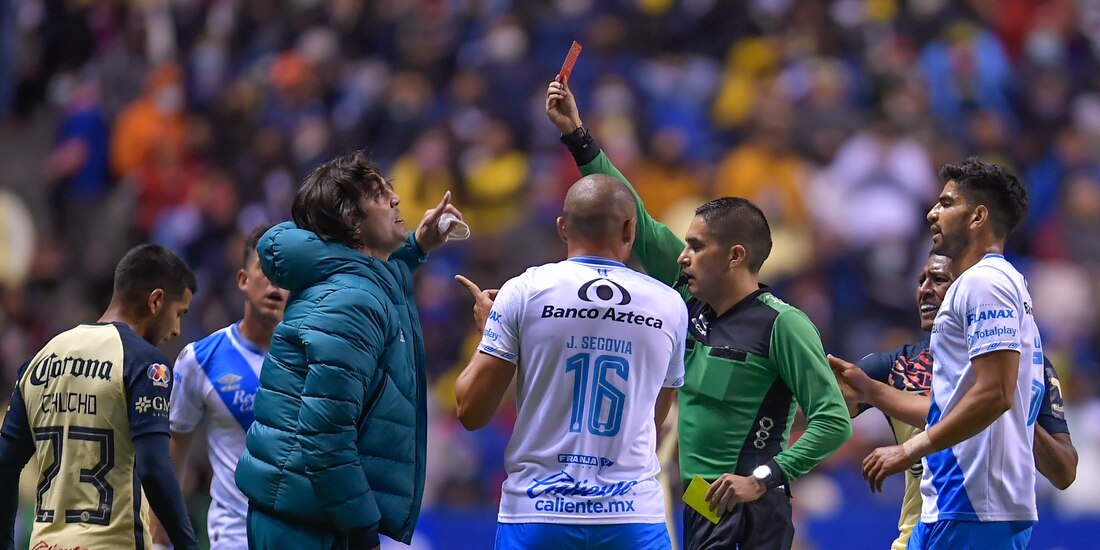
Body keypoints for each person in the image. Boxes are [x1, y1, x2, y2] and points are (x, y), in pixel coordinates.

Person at [546, 79, 851, 550]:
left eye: (695, 246)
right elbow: (637, 217)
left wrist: (763, 479)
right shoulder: (687, 300)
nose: (683, 256)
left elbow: (833, 421)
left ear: (733, 256)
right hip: (700, 503)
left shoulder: (782, 325)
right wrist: (578, 137)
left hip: (752, 509)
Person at [234, 150, 464, 550]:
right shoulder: (349, 303)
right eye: (378, 195)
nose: (395, 199)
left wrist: (419, 245)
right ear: (352, 223)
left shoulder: (354, 283)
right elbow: (326, 432)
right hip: (313, 528)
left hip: (315, 515)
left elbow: (374, 270)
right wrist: (362, 531)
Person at [453, 174, 690, 549]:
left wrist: (492, 334)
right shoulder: (671, 305)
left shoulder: (523, 292)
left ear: (562, 227)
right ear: (630, 228)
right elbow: (653, 416)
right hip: (631, 517)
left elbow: (471, 413)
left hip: (537, 514)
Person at [849, 158, 1043, 549]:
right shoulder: (994, 283)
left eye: (947, 203)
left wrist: (909, 448)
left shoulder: (986, 283)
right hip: (955, 501)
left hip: (975, 505)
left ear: (978, 216)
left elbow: (996, 393)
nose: (931, 212)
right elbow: (958, 398)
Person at [829, 253, 1077, 550]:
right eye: (921, 281)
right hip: (916, 536)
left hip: (983, 529)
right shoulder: (898, 366)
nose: (925, 290)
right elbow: (824, 408)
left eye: (939, 280)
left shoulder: (1027, 368)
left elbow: (1064, 472)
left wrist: (1013, 410)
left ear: (967, 293)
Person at [0, 244, 199, 550]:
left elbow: (5, 465)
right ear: (156, 301)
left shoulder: (40, 360)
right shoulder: (145, 364)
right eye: (178, 313)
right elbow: (155, 469)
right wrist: (188, 545)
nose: (176, 329)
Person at [150, 224, 289, 549]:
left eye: (286, 275)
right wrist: (158, 538)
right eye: (266, 271)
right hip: (234, 539)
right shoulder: (199, 360)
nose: (276, 285)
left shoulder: (315, 359)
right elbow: (172, 457)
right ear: (242, 280)